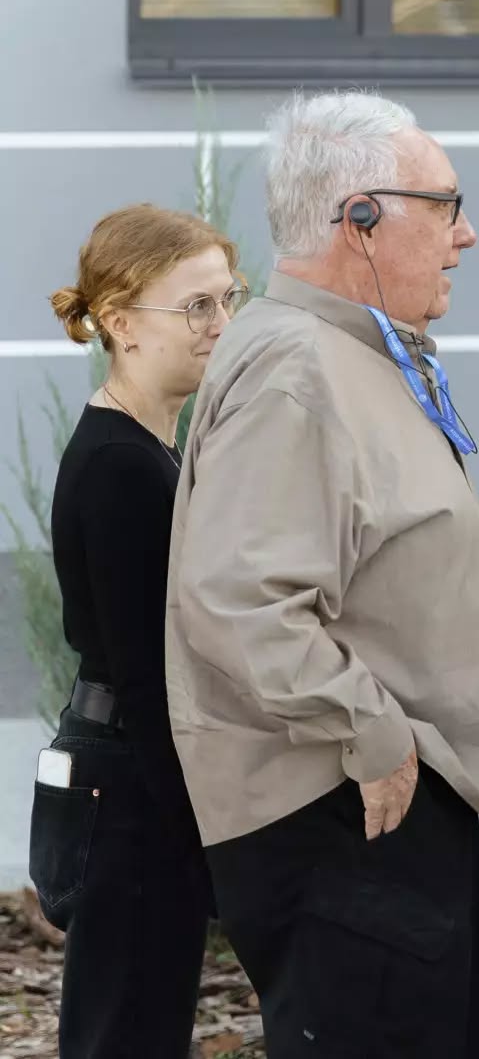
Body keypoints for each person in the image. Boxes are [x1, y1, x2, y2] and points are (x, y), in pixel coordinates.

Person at [165, 91, 479, 1059]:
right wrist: (374, 735)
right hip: (347, 807)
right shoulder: (299, 369)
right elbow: (238, 596)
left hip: (380, 803)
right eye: (445, 205)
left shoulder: (342, 352)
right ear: (360, 218)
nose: (466, 234)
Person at [27, 204, 242, 1058]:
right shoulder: (121, 463)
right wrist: (205, 835)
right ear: (120, 322)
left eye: (228, 299)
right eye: (196, 305)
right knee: (126, 1031)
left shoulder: (147, 446)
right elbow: (150, 677)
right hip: (131, 795)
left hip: (130, 784)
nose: (220, 323)